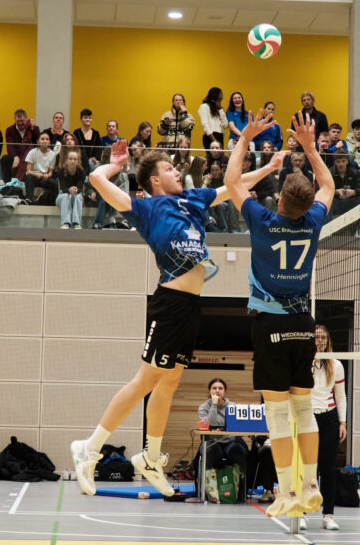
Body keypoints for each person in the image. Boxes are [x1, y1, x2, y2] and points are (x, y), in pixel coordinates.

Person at [71, 140, 282, 496]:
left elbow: (233, 185)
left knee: (169, 382)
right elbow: (95, 179)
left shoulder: (194, 198)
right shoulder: (146, 208)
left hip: (191, 306)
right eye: (168, 168)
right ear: (154, 180)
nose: (176, 171)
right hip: (169, 303)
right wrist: (116, 165)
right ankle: (89, 449)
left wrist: (269, 168)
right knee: (145, 381)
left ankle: (151, 457)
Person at [224, 111, 334, 518]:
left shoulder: (263, 219)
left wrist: (246, 138)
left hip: (270, 324)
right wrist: (310, 147)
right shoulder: (313, 221)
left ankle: (287, 492)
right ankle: (311, 486)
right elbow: (328, 185)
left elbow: (232, 181)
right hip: (304, 325)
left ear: (281, 201)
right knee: (304, 410)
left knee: (276, 413)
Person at [309, 324, 346, 531]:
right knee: (307, 469)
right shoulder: (303, 361)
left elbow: (340, 396)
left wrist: (343, 422)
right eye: (316, 337)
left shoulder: (336, 364)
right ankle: (302, 513)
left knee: (328, 469)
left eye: (323, 337)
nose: (320, 340)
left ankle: (328, 515)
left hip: (329, 418)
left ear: (328, 340)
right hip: (308, 417)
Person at [4, 109, 40, 183]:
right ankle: (7, 182)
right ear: (15, 120)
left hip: (30, 154)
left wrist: (32, 129)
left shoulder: (34, 128)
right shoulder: (10, 130)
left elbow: (37, 142)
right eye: (18, 121)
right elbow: (10, 146)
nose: (20, 123)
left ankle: (18, 180)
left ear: (26, 119)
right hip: (16, 154)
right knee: (5, 158)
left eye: (22, 121)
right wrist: (15, 157)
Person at [329, 153, 360, 220]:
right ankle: (327, 226)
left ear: (347, 161)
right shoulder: (329, 173)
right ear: (334, 162)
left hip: (351, 202)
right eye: (338, 161)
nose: (341, 164)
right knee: (326, 202)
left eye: (343, 161)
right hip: (336, 202)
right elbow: (324, 190)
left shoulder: (355, 172)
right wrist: (336, 192)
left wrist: (353, 192)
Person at [56, 148, 86, 229]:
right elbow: (63, 188)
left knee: (78, 197)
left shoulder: (81, 172)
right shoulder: (61, 171)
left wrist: (76, 190)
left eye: (75, 159)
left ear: (78, 161)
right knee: (66, 196)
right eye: (70, 159)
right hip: (63, 195)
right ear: (66, 160)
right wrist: (69, 190)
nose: (72, 161)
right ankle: (66, 223)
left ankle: (77, 223)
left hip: (76, 195)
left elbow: (80, 187)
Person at [24, 132, 57, 204]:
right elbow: (29, 170)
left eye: (47, 139)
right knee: (28, 177)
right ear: (38, 141)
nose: (45, 141)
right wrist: (37, 174)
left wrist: (47, 175)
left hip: (44, 178)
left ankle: (53, 202)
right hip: (34, 177)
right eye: (42, 139)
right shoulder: (32, 152)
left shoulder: (53, 154)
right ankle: (29, 200)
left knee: (54, 182)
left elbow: (50, 172)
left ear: (49, 142)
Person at [198, 87, 228, 151]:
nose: (220, 101)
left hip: (220, 136)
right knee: (211, 155)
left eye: (221, 100)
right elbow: (205, 124)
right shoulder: (204, 106)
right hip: (210, 136)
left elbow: (225, 125)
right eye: (218, 99)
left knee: (220, 156)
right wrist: (214, 140)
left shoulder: (219, 109)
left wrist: (220, 109)